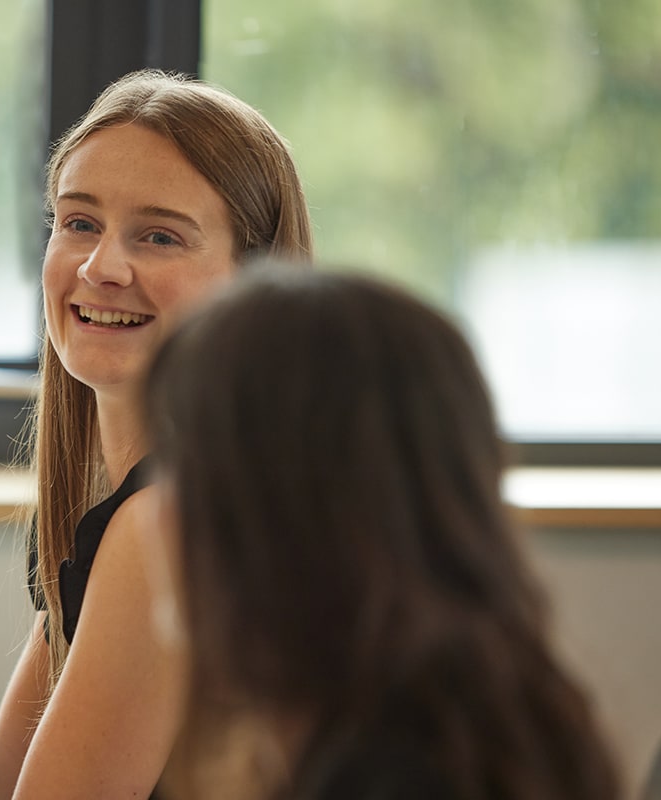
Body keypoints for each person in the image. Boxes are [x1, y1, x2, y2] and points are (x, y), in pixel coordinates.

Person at [0, 69, 312, 799]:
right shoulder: (142, 509)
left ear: (250, 284)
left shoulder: (168, 526)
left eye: (159, 236)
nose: (101, 267)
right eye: (78, 223)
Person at [142, 265, 624, 799]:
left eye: (181, 471)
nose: (157, 513)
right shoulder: (494, 721)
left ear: (286, 514)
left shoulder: (392, 779)